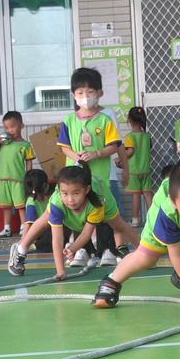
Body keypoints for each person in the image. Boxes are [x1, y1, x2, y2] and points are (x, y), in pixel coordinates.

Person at [92, 157, 180, 312]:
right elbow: (177, 255)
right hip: (165, 217)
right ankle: (111, 283)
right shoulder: (166, 211)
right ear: (174, 203)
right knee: (146, 257)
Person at [8, 163, 139, 278]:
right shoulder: (57, 202)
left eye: (76, 193)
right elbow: (57, 238)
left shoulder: (97, 203)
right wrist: (60, 271)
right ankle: (20, 249)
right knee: (44, 219)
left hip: (102, 195)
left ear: (86, 190)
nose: (70, 199)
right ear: (59, 191)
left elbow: (86, 233)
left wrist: (72, 248)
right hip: (66, 205)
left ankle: (144, 252)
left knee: (119, 225)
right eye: (65, 193)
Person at [57, 67, 130, 266]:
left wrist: (97, 154)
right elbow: (64, 147)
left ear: (100, 93)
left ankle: (107, 249)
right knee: (77, 209)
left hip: (100, 177)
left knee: (102, 210)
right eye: (80, 93)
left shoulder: (105, 119)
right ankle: (83, 250)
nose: (85, 97)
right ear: (73, 95)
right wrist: (77, 157)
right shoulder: (69, 120)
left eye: (90, 92)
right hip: (76, 177)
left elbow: (114, 145)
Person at [0, 110, 35, 236]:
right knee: (6, 205)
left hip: (18, 179)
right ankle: (7, 228)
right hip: (3, 178)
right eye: (6, 128)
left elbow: (29, 162)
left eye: (12, 126)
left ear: (21, 125)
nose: (10, 130)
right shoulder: (4, 143)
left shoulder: (25, 145)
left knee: (20, 204)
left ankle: (24, 226)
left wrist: (28, 177)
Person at [123, 106, 153, 226]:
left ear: (129, 119)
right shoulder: (147, 136)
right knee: (147, 194)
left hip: (134, 171)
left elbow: (130, 151)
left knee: (136, 195)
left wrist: (120, 157)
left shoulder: (129, 137)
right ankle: (153, 219)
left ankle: (135, 220)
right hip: (146, 170)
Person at [21, 168, 50, 248]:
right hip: (40, 235)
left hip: (45, 232)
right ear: (45, 185)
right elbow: (29, 223)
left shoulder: (47, 199)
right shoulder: (32, 202)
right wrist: (23, 242)